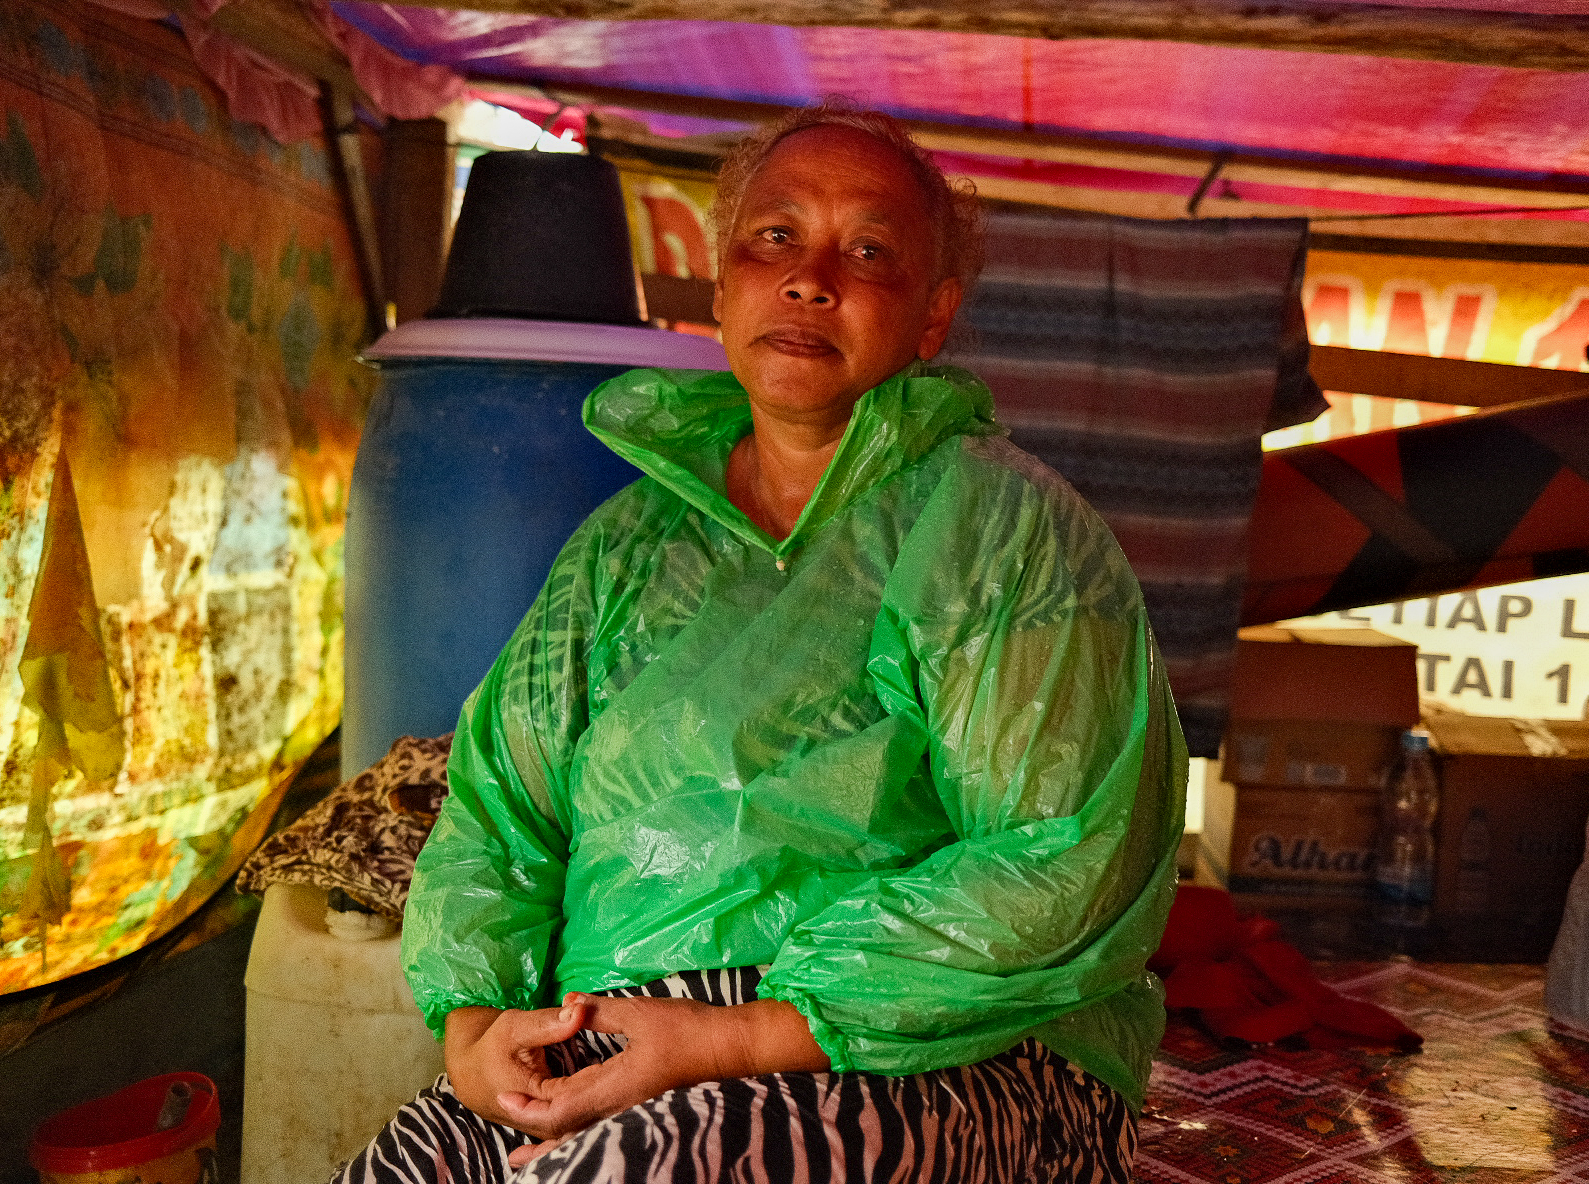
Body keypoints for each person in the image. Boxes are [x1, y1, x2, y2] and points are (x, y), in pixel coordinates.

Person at [337, 103, 1186, 1184]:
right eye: (774, 238)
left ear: (933, 317)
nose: (809, 278)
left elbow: (1062, 859)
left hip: (935, 1043)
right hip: (616, 1030)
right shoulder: (624, 548)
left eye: (867, 251)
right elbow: (504, 807)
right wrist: (475, 1029)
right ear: (725, 282)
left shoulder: (1000, 531)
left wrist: (737, 1034)